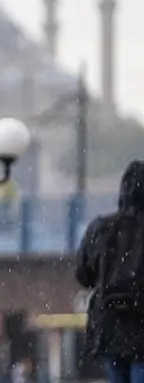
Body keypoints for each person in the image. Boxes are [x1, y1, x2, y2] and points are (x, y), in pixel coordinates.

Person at [76, 160, 144, 383]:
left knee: (117, 375)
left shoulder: (102, 228)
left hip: (110, 322)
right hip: (141, 321)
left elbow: (84, 275)